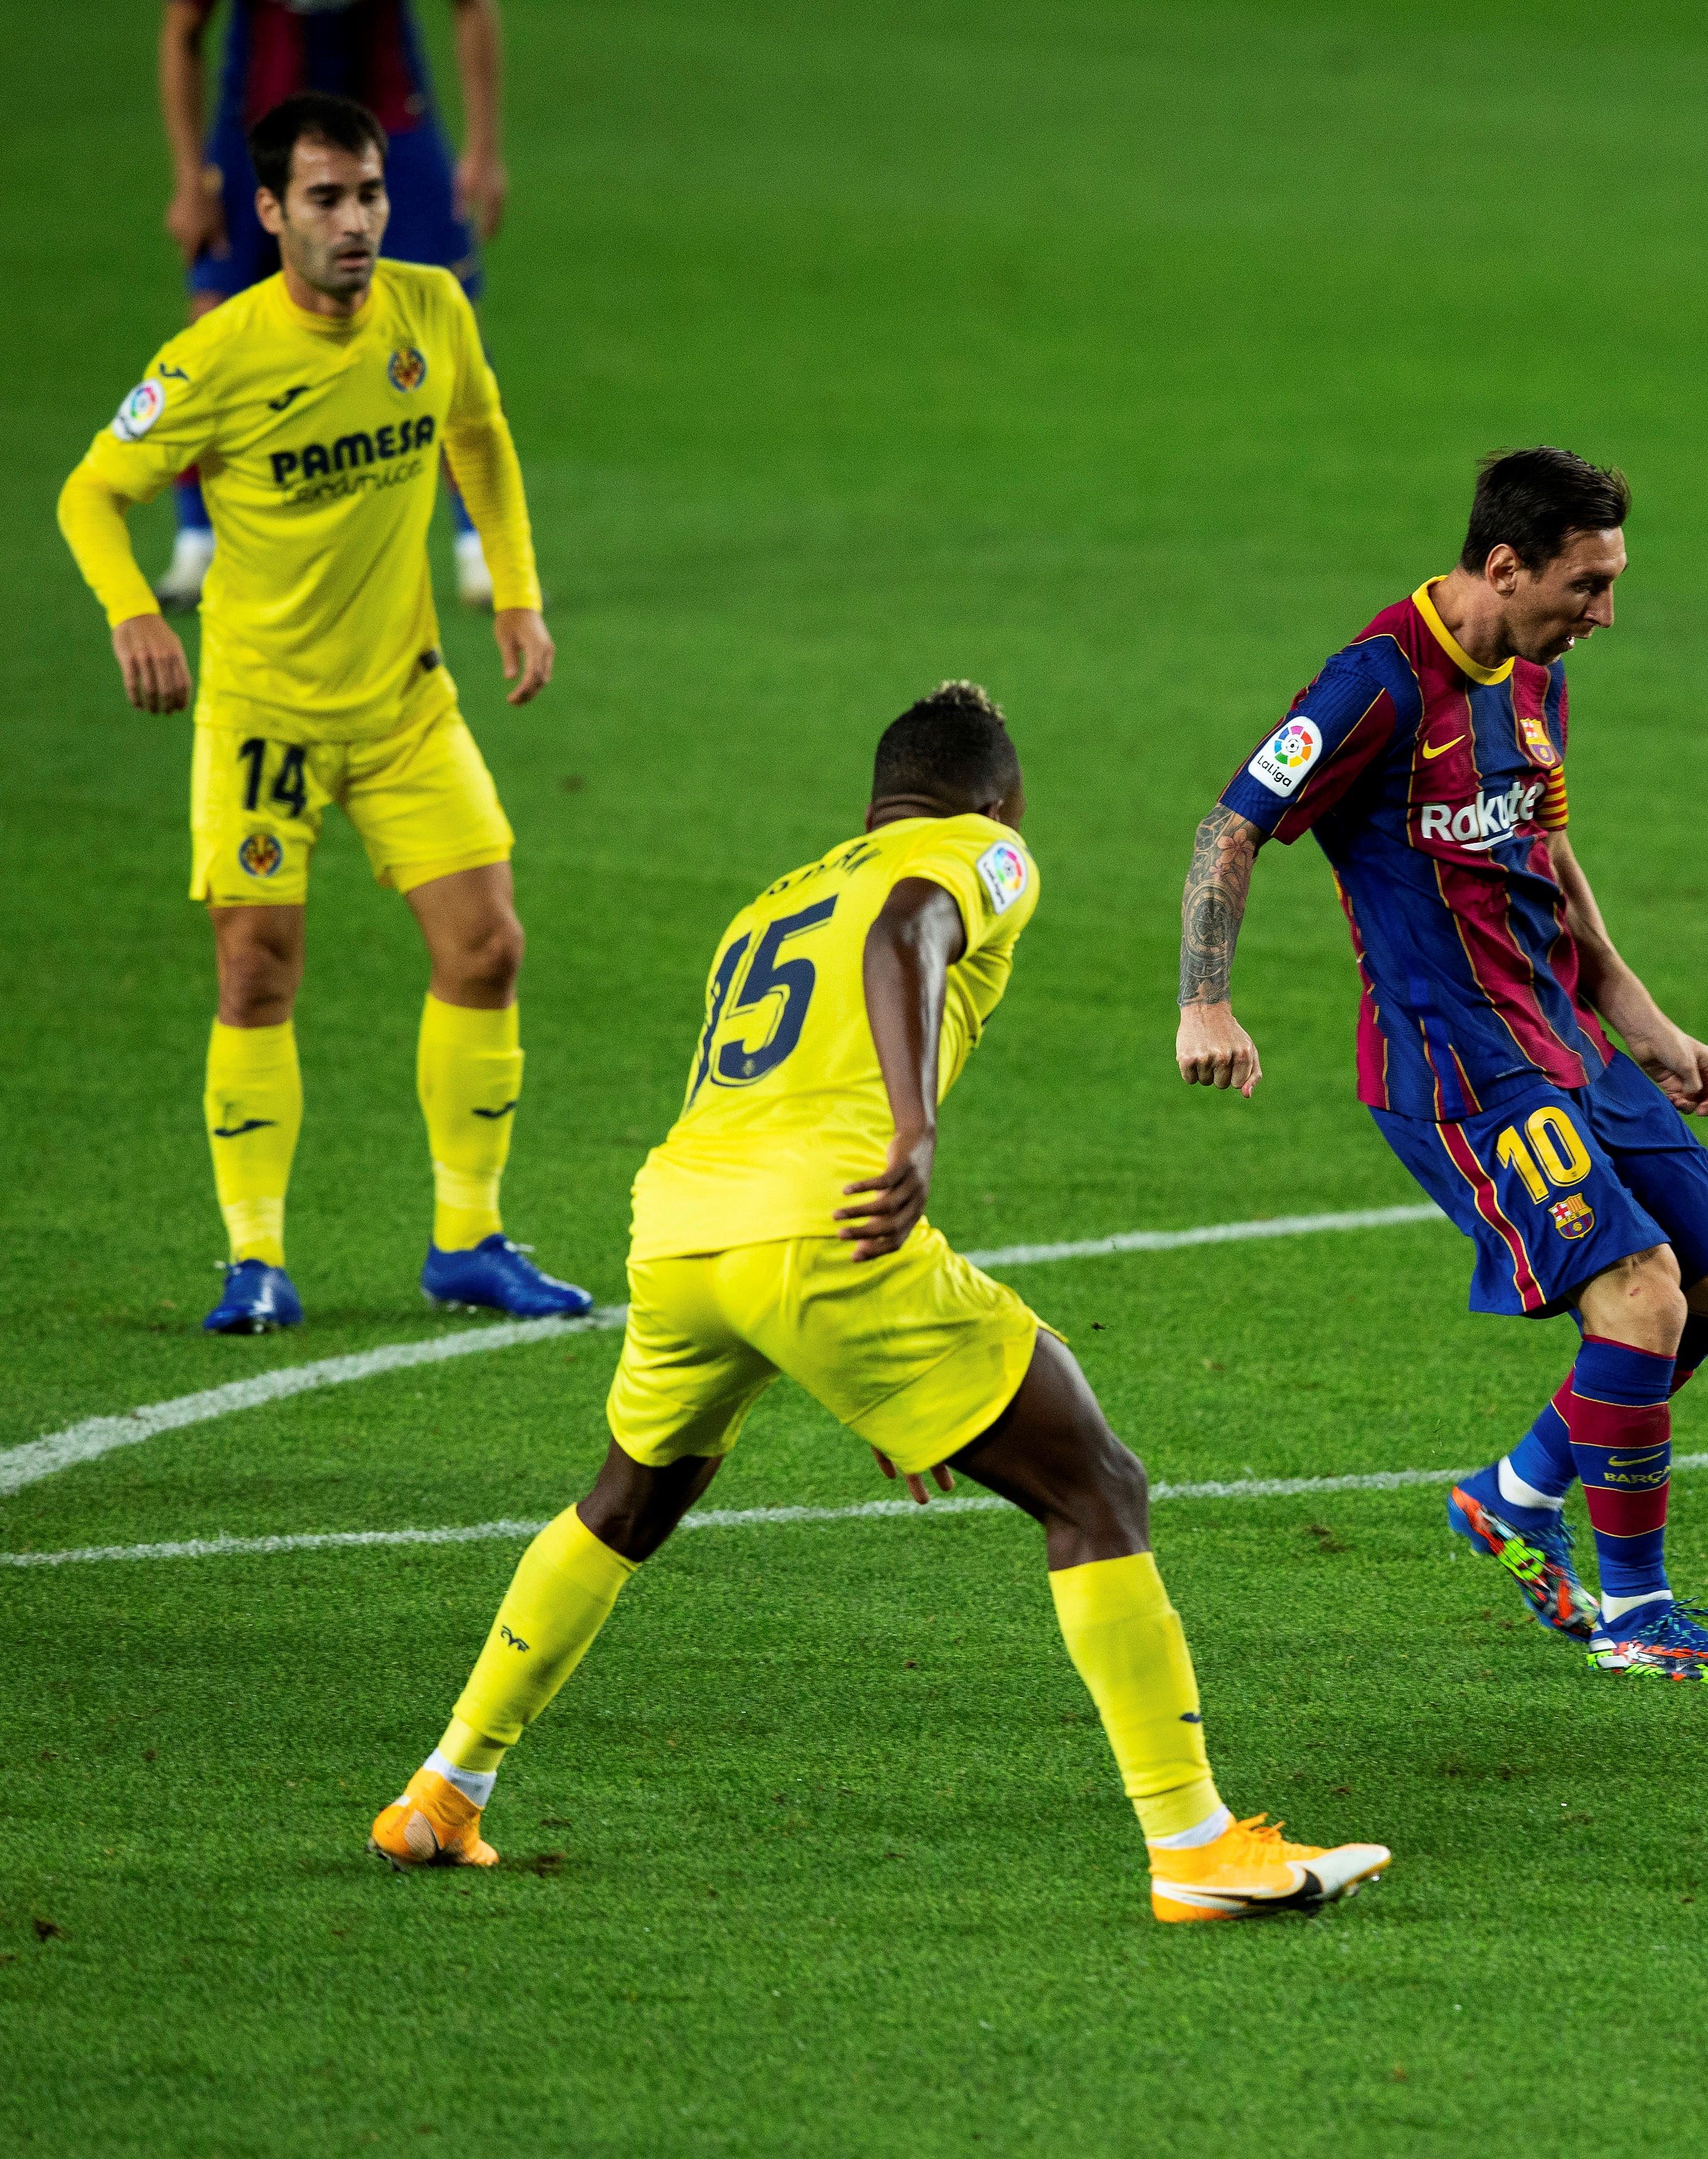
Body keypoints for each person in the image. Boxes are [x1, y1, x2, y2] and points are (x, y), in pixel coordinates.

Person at [370, 685, 1391, 1922]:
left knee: (624, 1504)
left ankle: (445, 1789)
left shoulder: (775, 896)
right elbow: (908, 926)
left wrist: (876, 1376)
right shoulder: (977, 851)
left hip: (684, 1229)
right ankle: (1193, 1844)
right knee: (1098, 1488)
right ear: (995, 797)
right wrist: (912, 1136)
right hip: (833, 1227)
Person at [1174, 449, 1708, 1682]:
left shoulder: (1535, 677)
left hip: (1566, 1035)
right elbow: (1232, 824)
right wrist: (1207, 1003)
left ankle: (1517, 1491)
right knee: (1642, 1293)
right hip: (1456, 1065)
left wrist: (1636, 1007)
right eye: (1587, 584)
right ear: (1506, 565)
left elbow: (1548, 850)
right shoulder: (1373, 687)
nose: (1605, 613)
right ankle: (1635, 1613)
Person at [58, 91, 585, 1333]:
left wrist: (516, 595)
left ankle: (469, 1239)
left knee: (489, 948)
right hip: (265, 722)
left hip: (404, 705)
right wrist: (134, 610)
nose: (357, 223)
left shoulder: (431, 309)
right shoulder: (217, 358)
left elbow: (482, 436)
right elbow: (93, 491)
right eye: (328, 200)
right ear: (269, 211)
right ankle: (256, 1260)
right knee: (256, 971)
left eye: (372, 196)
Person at [159, 0, 513, 610]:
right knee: (214, 331)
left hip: (390, 133)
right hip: (258, 131)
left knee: (445, 328)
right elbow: (183, 29)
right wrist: (191, 179)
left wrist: (483, 150)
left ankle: (480, 544)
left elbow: (472, 6)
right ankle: (199, 538)